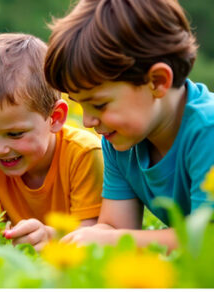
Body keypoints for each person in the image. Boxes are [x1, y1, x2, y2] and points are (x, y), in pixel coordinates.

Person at [44, 0, 214, 249]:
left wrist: (111, 239)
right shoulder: (121, 140)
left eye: (99, 105)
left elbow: (207, 242)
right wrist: (70, 239)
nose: (88, 121)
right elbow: (115, 228)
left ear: (156, 81)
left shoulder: (207, 131)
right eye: (81, 104)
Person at [0, 33, 103, 249]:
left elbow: (91, 235)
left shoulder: (83, 154)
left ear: (55, 118)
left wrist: (49, 236)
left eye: (15, 134)